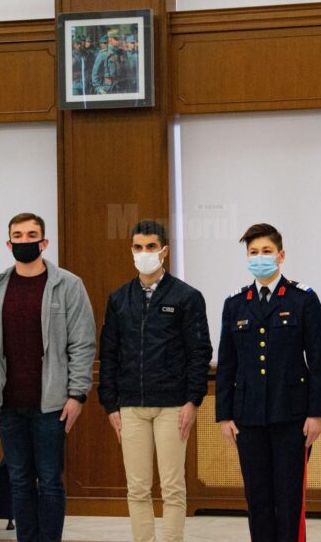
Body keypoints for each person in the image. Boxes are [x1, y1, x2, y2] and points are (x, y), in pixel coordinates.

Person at [0, 212, 96, 542]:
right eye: (18, 235)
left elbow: (83, 343)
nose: (24, 241)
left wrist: (77, 395)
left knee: (51, 481)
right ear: (8, 243)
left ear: (44, 242)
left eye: (32, 235)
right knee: (19, 481)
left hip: (52, 405)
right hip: (8, 405)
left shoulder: (68, 285)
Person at [98, 220, 213, 542]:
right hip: (131, 406)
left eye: (151, 247)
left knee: (173, 487)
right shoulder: (119, 298)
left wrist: (192, 400)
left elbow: (199, 352)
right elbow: (109, 353)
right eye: (138, 247)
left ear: (164, 251)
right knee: (137, 488)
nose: (144, 252)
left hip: (173, 406)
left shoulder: (187, 297)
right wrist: (111, 404)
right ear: (131, 250)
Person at [215, 223, 321, 542]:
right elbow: (227, 365)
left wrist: (317, 413)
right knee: (258, 500)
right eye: (253, 252)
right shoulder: (235, 303)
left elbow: (317, 361)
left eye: (266, 251)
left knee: (289, 500)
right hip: (248, 417)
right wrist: (224, 415)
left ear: (281, 255)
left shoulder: (303, 299)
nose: (259, 257)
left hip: (291, 415)